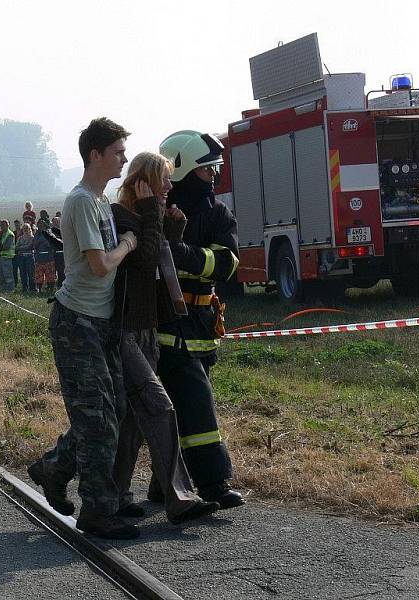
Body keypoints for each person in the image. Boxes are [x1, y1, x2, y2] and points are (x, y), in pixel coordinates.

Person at [27, 117, 139, 540]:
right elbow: (98, 265)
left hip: (100, 322)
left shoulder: (100, 201)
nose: (123, 159)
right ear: (96, 155)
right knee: (97, 421)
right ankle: (98, 511)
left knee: (113, 412)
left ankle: (53, 469)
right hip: (77, 322)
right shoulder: (80, 201)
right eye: (117, 152)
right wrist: (128, 244)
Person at [111, 151, 220, 524]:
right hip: (124, 330)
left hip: (146, 330)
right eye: (164, 181)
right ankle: (181, 497)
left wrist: (172, 231)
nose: (169, 188)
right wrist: (154, 218)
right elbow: (142, 264)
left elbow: (157, 273)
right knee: (160, 407)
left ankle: (109, 491)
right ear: (144, 183)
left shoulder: (147, 218)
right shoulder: (122, 217)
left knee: (131, 420)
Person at [152, 130, 244, 509]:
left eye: (216, 170)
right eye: (207, 171)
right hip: (167, 326)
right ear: (184, 173)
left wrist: (185, 253)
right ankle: (212, 483)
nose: (214, 178)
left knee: (178, 408)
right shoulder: (156, 211)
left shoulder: (218, 213)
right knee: (197, 403)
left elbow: (227, 262)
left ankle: (164, 485)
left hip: (202, 323)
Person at [32, 219, 57, 294]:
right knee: (39, 276)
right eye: (39, 224)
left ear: (45, 225)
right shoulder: (36, 234)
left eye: (42, 224)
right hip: (39, 258)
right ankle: (39, 289)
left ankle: (50, 289)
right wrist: (41, 241)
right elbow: (35, 244)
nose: (40, 226)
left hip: (48, 258)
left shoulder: (50, 233)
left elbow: (51, 243)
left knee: (50, 275)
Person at [0, 219, 16, 292]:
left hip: (7, 256)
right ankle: (3, 288)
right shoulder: (1, 234)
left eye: (3, 225)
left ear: (7, 225)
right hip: (1, 256)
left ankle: (10, 289)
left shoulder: (9, 234)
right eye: (1, 225)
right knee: (1, 274)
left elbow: (6, 246)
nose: (1, 227)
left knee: (8, 274)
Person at [15, 223, 35, 292]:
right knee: (23, 273)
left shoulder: (32, 238)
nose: (26, 229)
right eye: (24, 228)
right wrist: (24, 247)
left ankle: (32, 288)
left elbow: (30, 246)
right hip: (21, 258)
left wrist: (21, 247)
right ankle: (24, 288)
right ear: (22, 230)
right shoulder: (20, 238)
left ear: (30, 229)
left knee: (31, 273)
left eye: (27, 228)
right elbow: (16, 247)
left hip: (30, 257)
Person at [51, 216, 65, 288]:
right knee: (52, 270)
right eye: (54, 222)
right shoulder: (50, 232)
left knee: (61, 270)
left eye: (57, 222)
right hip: (52, 254)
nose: (55, 223)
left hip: (61, 254)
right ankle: (51, 286)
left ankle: (61, 285)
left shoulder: (63, 231)